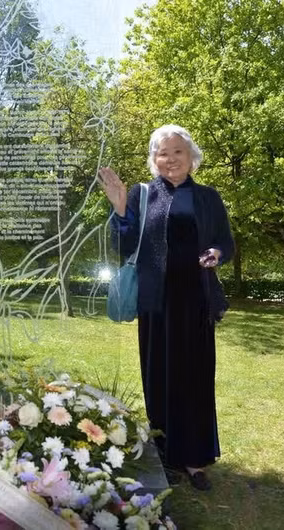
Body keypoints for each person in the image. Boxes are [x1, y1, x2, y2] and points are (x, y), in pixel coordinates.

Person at [98, 124, 234, 491]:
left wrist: (216, 253)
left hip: (197, 301)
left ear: (191, 158)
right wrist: (120, 207)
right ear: (153, 159)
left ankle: (194, 458)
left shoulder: (208, 197)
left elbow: (225, 242)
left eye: (178, 152)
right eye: (163, 153)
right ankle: (164, 451)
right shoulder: (142, 195)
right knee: (159, 376)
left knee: (196, 378)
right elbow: (125, 246)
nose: (171, 159)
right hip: (157, 303)